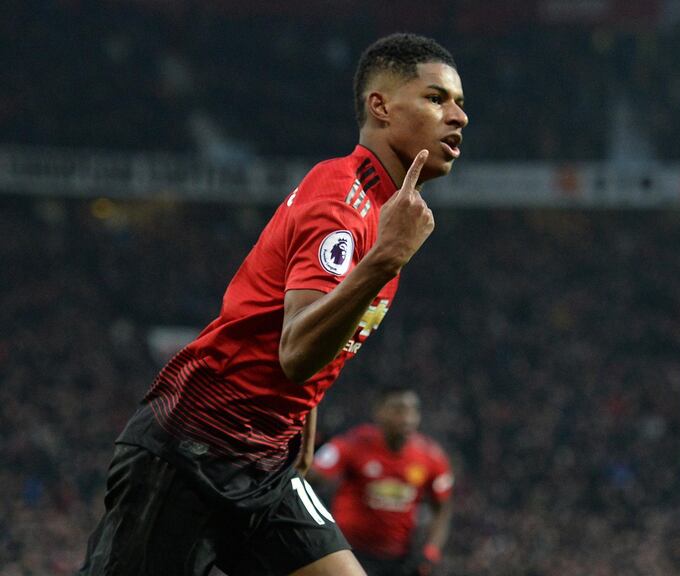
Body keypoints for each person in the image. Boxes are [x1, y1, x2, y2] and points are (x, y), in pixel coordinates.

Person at [78, 31, 467, 576]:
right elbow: (295, 350)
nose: (458, 116)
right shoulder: (343, 200)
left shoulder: (382, 212)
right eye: (437, 98)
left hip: (266, 463)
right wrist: (383, 261)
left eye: (460, 103)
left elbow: (303, 337)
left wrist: (303, 410)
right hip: (193, 447)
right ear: (380, 105)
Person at [310, 387, 453, 576]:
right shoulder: (353, 443)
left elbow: (442, 509)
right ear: (379, 412)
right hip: (349, 553)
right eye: (398, 410)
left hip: (398, 560)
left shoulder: (431, 457)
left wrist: (431, 551)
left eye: (413, 411)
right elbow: (310, 477)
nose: (407, 418)